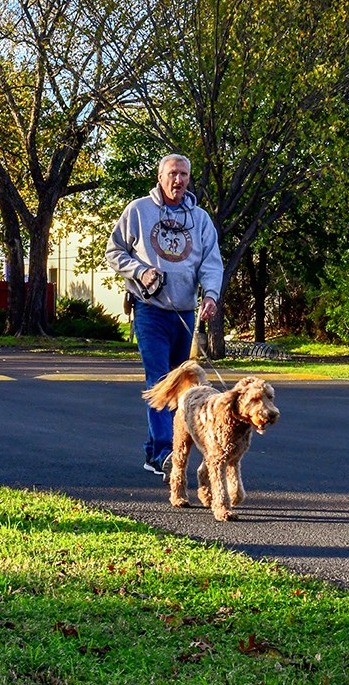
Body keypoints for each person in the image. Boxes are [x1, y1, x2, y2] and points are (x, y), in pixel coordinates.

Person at [106, 153, 224, 478]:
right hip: (150, 310)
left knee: (179, 385)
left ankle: (153, 451)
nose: (178, 180)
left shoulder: (199, 219)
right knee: (159, 379)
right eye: (172, 173)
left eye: (184, 174)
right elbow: (114, 251)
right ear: (160, 177)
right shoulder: (139, 211)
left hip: (185, 312)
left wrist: (211, 295)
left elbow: (211, 263)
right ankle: (164, 452)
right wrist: (140, 271)